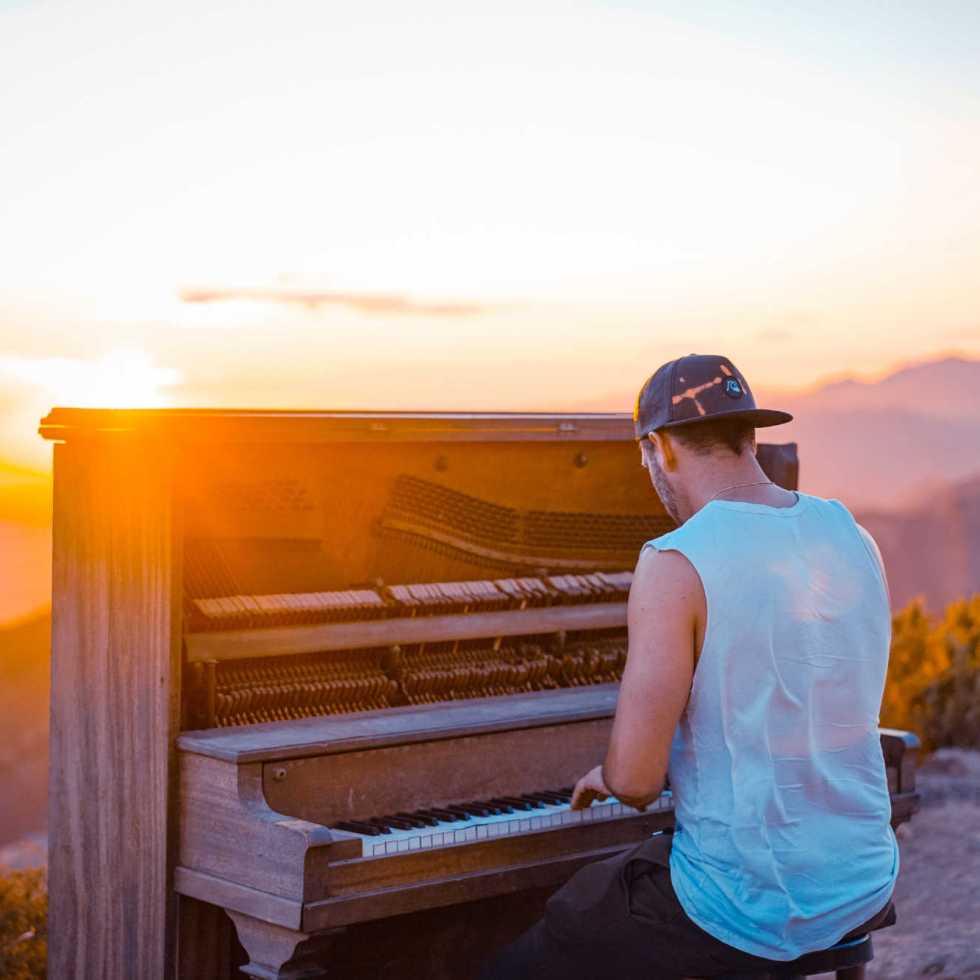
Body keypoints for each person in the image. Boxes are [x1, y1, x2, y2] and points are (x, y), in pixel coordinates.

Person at [479, 354, 898, 980]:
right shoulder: (852, 535)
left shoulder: (676, 562)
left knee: (542, 944)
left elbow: (638, 782)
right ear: (748, 436)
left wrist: (612, 769)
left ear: (658, 448)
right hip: (862, 871)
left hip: (750, 907)